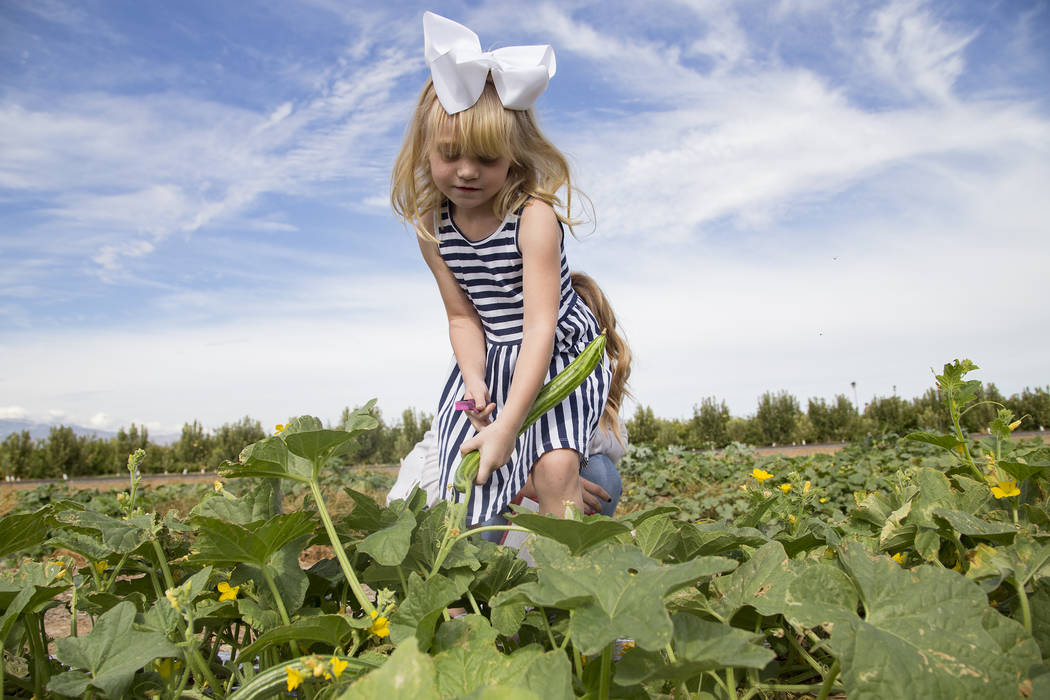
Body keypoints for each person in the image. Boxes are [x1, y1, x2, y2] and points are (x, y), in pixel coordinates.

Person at [390, 12, 609, 527]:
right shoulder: (432, 225)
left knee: (555, 470)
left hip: (550, 352)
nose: (467, 171)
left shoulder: (532, 219)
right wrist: (475, 380)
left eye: (487, 159)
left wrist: (510, 425)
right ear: (426, 149)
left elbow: (539, 327)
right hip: (488, 355)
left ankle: (565, 586)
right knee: (469, 472)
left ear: (512, 158)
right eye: (451, 154)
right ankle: (467, 599)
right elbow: (462, 317)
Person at [387, 271, 633, 523]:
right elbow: (444, 481)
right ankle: (490, 559)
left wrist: (555, 468)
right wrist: (524, 481)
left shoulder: (583, 401)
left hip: (509, 509)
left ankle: (550, 555)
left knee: (600, 472)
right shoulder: (478, 392)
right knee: (493, 487)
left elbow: (612, 440)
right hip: (432, 507)